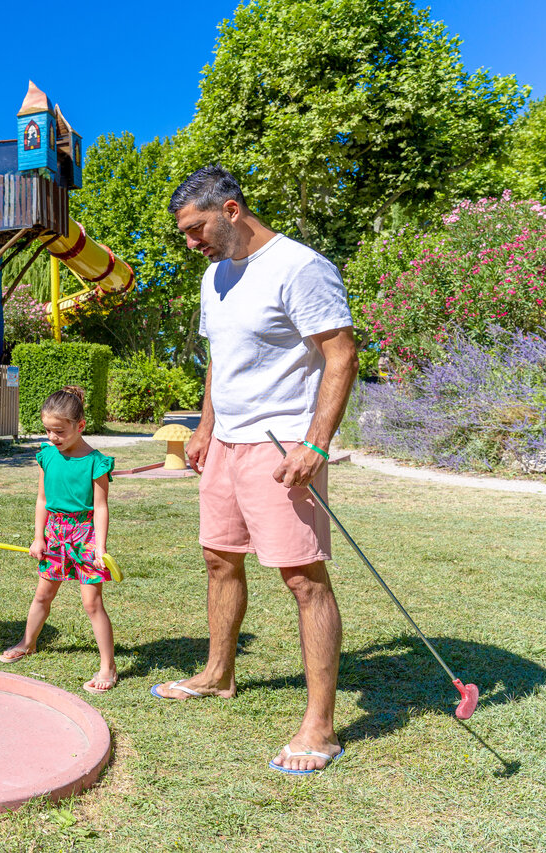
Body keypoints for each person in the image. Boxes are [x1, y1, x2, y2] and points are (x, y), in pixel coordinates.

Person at [153, 166, 359, 775]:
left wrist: (316, 443)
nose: (191, 243)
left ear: (232, 210)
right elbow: (220, 360)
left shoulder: (300, 266)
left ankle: (319, 727)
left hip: (282, 447)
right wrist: (204, 427)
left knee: (303, 579)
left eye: (196, 230)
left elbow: (340, 351)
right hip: (227, 445)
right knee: (219, 557)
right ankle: (219, 674)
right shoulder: (215, 276)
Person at [0, 386, 118, 694]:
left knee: (92, 603)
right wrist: (38, 537)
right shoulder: (46, 455)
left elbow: (101, 507)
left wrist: (100, 547)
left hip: (84, 535)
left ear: (80, 426)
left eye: (60, 431)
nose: (53, 437)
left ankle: (108, 666)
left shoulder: (96, 462)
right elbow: (41, 499)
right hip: (54, 533)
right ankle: (28, 643)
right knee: (42, 595)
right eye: (48, 430)